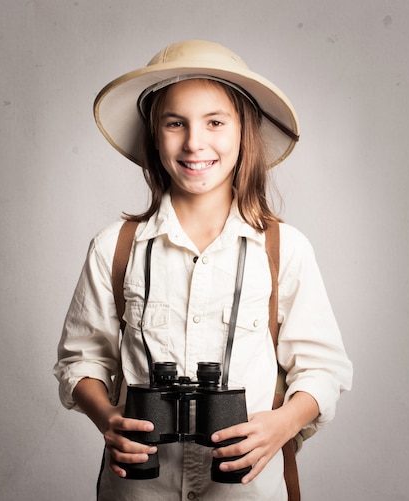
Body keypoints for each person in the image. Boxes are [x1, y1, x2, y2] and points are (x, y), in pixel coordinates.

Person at [54, 39, 353, 501]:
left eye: (215, 122)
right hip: (138, 488)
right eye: (176, 124)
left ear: (242, 133)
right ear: (155, 135)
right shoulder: (115, 247)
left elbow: (323, 368)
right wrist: (108, 418)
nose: (195, 142)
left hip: (245, 489)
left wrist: (281, 425)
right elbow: (82, 359)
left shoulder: (283, 249)